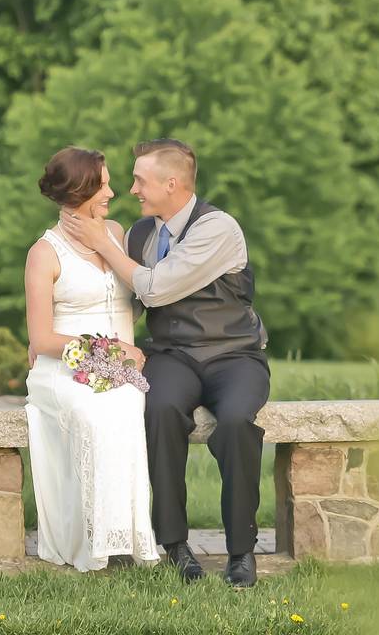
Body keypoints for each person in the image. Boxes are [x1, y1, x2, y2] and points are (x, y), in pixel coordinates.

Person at [61, 138, 269, 587]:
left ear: (170, 183)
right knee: (158, 410)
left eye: (139, 179)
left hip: (233, 355)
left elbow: (155, 288)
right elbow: (128, 302)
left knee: (235, 421)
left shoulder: (219, 228)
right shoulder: (140, 234)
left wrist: (103, 242)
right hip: (173, 355)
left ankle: (241, 552)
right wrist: (82, 335)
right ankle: (174, 544)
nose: (132, 189)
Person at [24, 146, 159, 572]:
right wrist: (110, 350)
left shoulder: (116, 233)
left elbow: (141, 294)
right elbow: (42, 338)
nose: (112, 192)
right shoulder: (44, 253)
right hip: (62, 368)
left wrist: (125, 355)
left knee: (126, 404)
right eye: (102, 185)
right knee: (97, 412)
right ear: (79, 190)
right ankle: (97, 542)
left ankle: (125, 537)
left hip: (121, 371)